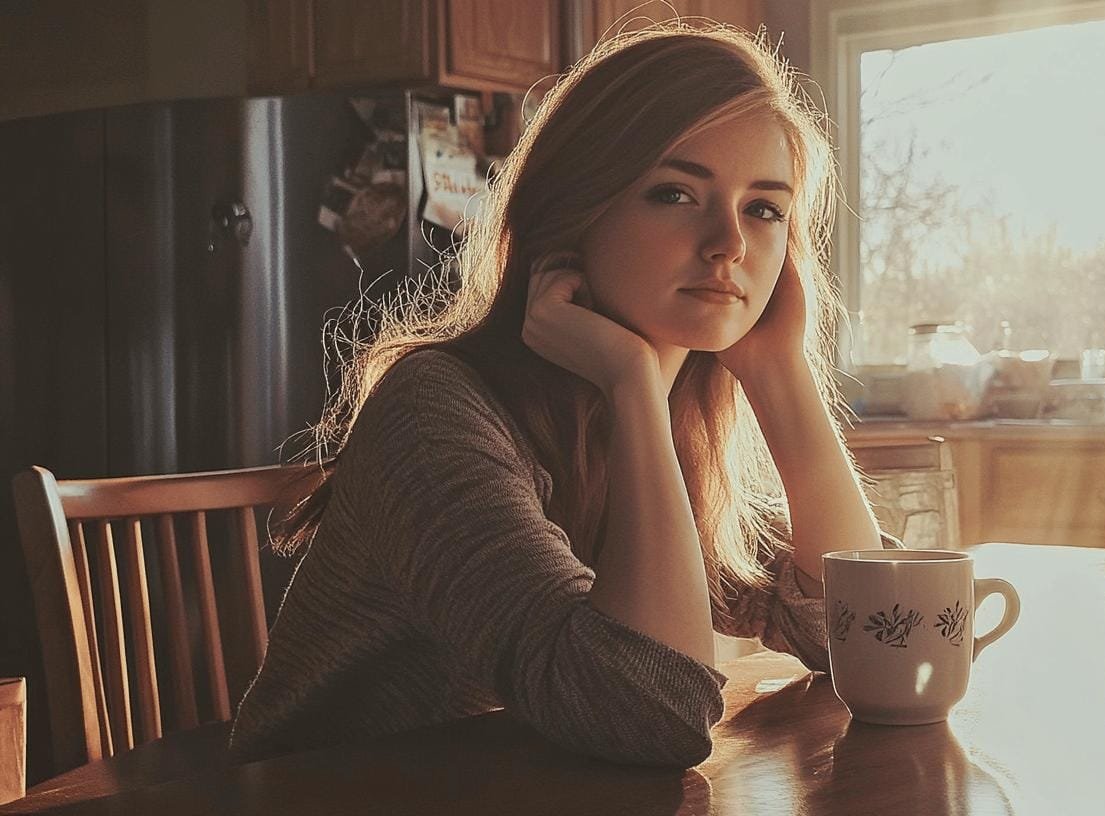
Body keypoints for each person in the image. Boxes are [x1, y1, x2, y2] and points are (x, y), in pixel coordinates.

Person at [229, 22, 890, 769]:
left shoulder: (683, 422)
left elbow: (868, 634)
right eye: (675, 193)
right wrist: (633, 386)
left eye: (764, 208)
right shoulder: (436, 411)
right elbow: (650, 718)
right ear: (573, 211)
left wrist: (781, 371)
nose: (729, 243)